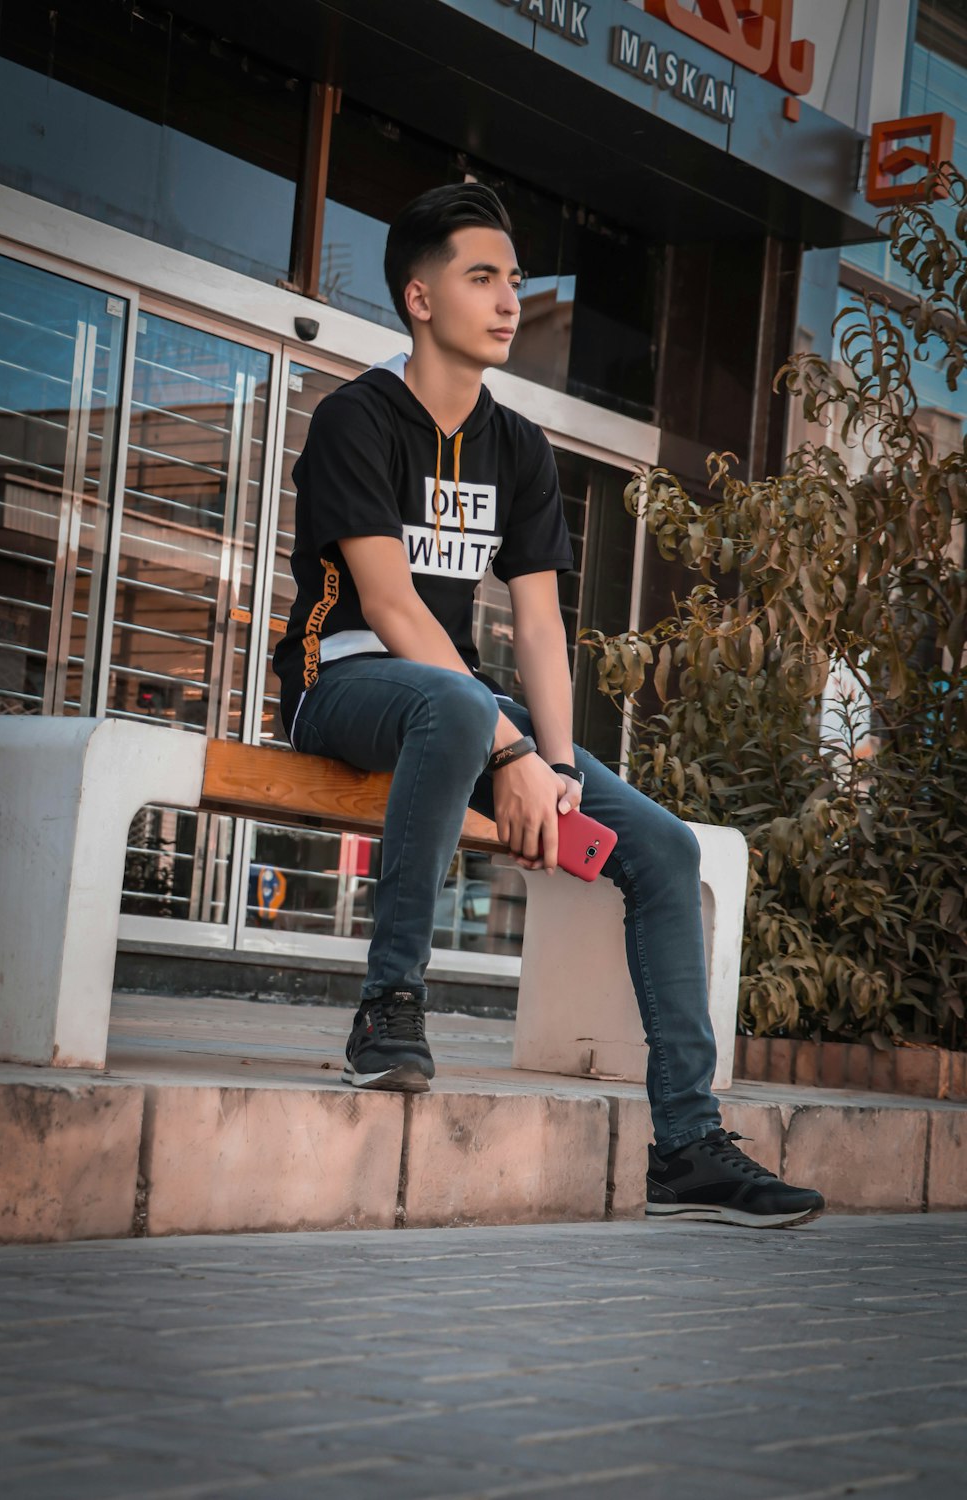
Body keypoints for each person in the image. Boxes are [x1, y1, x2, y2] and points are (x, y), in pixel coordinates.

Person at [275, 183, 825, 1230]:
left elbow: (536, 626)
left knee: (662, 851)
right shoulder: (355, 418)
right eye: (481, 276)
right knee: (447, 697)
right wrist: (508, 741)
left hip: (460, 710)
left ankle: (686, 1145)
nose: (508, 298)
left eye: (515, 280)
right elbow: (389, 608)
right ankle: (386, 1010)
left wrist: (556, 767)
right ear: (419, 295)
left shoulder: (517, 444)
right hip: (339, 684)